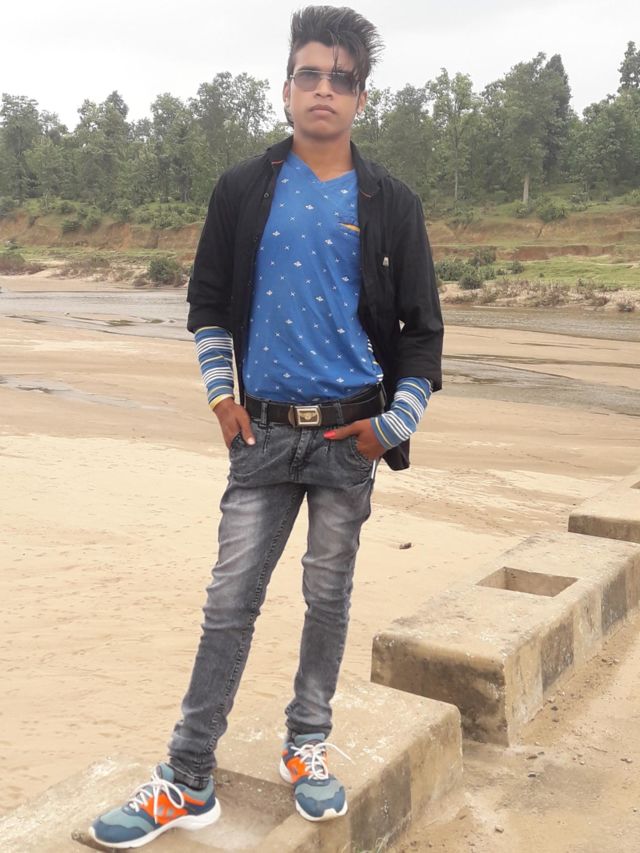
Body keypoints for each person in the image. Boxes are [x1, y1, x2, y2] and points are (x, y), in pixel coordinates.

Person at [90, 5, 443, 848]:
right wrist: (223, 398)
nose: (324, 89)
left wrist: (391, 425)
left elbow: (423, 333)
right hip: (261, 437)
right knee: (229, 601)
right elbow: (209, 304)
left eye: (342, 79)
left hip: (349, 440)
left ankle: (306, 742)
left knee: (328, 596)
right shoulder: (243, 189)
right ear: (286, 88)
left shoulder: (391, 203)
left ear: (361, 98)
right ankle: (187, 776)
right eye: (309, 74)